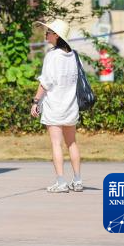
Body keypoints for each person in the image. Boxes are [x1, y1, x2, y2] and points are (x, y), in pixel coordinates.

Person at [31, 19, 82, 193]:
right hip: (71, 106)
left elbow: (46, 82)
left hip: (55, 106)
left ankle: (61, 182)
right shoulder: (74, 55)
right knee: (72, 143)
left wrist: (35, 101)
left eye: (49, 32)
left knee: (56, 144)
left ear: (57, 36)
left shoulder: (52, 56)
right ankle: (77, 180)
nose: (46, 34)